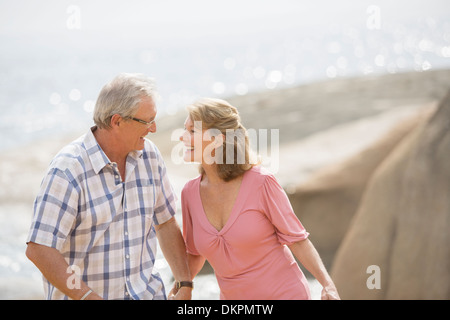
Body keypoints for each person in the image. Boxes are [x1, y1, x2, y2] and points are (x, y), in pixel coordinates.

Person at [26, 73, 192, 300]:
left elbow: (165, 222)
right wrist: (87, 297)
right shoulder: (68, 170)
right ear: (117, 121)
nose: (153, 128)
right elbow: (39, 248)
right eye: (147, 121)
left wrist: (184, 281)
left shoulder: (150, 156)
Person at [177, 97, 340, 300]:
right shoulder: (189, 194)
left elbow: (297, 239)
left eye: (192, 131)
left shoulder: (261, 183)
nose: (183, 137)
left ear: (218, 139)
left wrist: (327, 285)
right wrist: (183, 287)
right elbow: (194, 253)